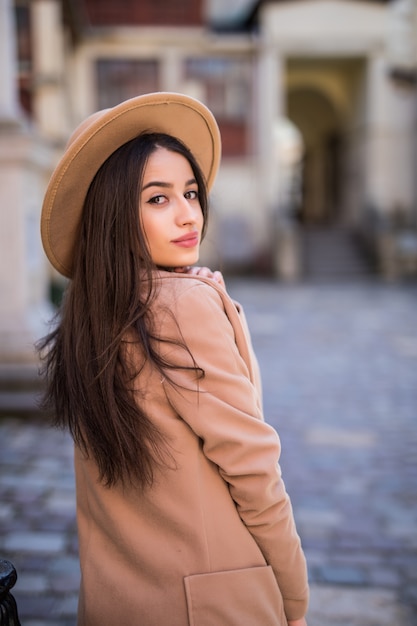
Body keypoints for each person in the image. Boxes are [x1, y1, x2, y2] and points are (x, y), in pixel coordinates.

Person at [39, 92, 309, 626]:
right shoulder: (186, 306)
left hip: (119, 602)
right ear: (114, 215)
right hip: (212, 603)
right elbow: (254, 471)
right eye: (157, 199)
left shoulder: (88, 317)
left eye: (190, 192)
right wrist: (294, 599)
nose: (189, 215)